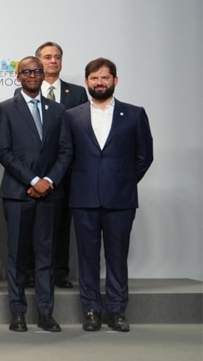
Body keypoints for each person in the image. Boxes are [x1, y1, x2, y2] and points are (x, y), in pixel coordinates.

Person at [65, 58, 153, 332]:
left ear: (115, 80)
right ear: (86, 82)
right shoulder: (72, 116)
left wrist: (122, 180)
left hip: (121, 198)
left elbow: (144, 156)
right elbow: (66, 157)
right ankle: (91, 310)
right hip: (84, 198)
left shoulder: (135, 114)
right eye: (94, 78)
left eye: (105, 77)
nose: (99, 82)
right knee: (87, 258)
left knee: (117, 257)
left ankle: (117, 311)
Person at [0, 56, 72, 333]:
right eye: (26, 71)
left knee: (45, 256)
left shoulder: (58, 110)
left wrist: (48, 180)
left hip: (49, 194)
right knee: (17, 256)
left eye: (37, 71)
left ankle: (45, 313)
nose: (32, 75)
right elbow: (3, 151)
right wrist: (33, 180)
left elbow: (65, 151)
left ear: (43, 75)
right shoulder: (4, 109)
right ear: (17, 76)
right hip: (18, 193)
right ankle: (17, 312)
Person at [36, 41, 88, 289]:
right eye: (47, 57)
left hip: (66, 171)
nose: (53, 61)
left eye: (57, 57)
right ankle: (32, 272)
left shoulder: (76, 93)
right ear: (39, 61)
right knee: (33, 226)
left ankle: (59, 273)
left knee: (62, 224)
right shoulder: (24, 91)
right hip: (35, 172)